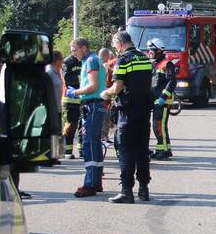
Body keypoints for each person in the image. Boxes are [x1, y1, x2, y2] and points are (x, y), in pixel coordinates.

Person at [101, 30, 154, 203]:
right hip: (144, 110)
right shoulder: (145, 58)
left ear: (120, 43)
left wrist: (106, 93)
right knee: (142, 151)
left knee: (126, 151)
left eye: (115, 45)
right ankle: (144, 189)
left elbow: (117, 88)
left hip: (128, 112)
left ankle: (126, 191)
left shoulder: (123, 60)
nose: (115, 49)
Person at [67, 36, 107, 197]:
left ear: (83, 47)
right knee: (94, 144)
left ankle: (90, 184)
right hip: (94, 105)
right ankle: (96, 182)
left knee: (89, 144)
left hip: (93, 105)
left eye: (74, 50)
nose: (73, 54)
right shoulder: (91, 60)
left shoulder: (91, 61)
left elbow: (93, 86)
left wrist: (75, 92)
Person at [148, 38, 177, 159]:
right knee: (159, 125)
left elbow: (172, 82)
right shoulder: (154, 64)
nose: (150, 52)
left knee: (159, 125)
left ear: (159, 51)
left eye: (152, 50)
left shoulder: (167, 64)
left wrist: (163, 97)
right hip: (156, 100)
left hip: (163, 100)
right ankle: (165, 148)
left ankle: (163, 150)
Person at [62, 51, 83, 158]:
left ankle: (81, 150)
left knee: (82, 126)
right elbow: (66, 79)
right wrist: (80, 78)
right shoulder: (67, 62)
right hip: (70, 99)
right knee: (70, 125)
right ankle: (68, 151)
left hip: (83, 98)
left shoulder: (84, 61)